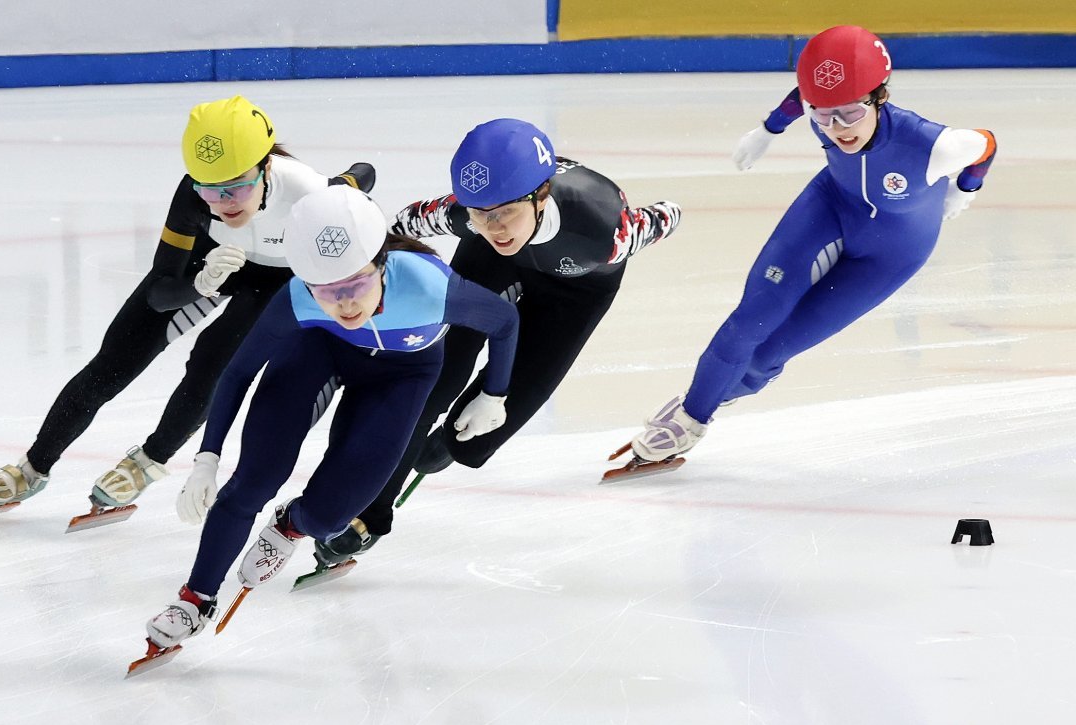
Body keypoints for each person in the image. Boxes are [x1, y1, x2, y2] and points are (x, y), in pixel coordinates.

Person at [0, 96, 375, 519]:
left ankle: (148, 462)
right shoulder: (193, 196)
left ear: (266, 167)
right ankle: (32, 468)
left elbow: (362, 180)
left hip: (275, 280)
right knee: (114, 361)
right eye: (211, 189)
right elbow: (160, 292)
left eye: (238, 186)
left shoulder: (311, 195)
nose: (226, 201)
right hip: (213, 262)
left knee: (213, 361)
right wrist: (199, 283)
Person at [141, 185, 519, 653]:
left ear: (381, 264)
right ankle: (195, 600)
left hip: (403, 375)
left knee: (329, 516)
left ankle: (292, 524)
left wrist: (494, 394)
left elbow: (504, 321)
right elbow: (238, 370)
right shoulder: (298, 297)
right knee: (253, 481)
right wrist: (207, 457)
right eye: (326, 291)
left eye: (356, 285)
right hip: (319, 354)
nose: (344, 305)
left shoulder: (429, 287)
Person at [312, 118, 682, 565]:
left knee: (476, 434)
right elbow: (405, 222)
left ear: (540, 196)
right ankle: (371, 513)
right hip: (490, 265)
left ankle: (446, 445)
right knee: (434, 379)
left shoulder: (604, 228)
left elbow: (667, 215)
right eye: (480, 213)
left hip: (575, 293)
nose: (495, 226)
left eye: (505, 212)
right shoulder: (474, 220)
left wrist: (670, 210)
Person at [625, 25, 997, 466]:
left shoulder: (934, 144)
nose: (838, 129)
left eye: (850, 114)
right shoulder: (822, 104)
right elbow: (799, 99)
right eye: (823, 117)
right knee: (751, 319)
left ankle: (720, 394)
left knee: (768, 354)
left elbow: (986, 144)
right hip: (830, 207)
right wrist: (768, 131)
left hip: (890, 254)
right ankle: (690, 417)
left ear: (880, 96)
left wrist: (966, 191)